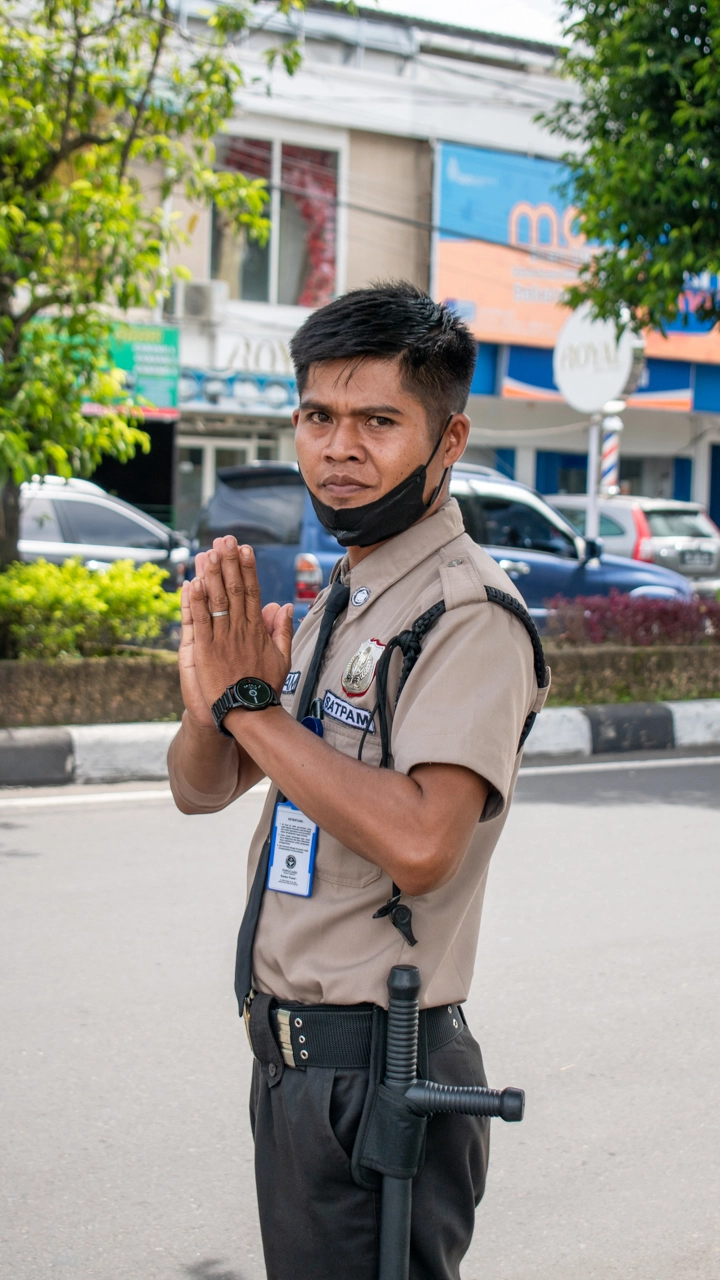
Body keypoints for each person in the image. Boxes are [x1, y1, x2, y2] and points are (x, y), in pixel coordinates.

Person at [167, 281, 549, 1280]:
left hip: (378, 1072)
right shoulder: (351, 589)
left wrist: (253, 706)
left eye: (378, 419)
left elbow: (424, 842)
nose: (339, 447)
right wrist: (212, 697)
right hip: (296, 1065)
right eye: (318, 416)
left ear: (448, 438)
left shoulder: (466, 614)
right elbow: (202, 788)